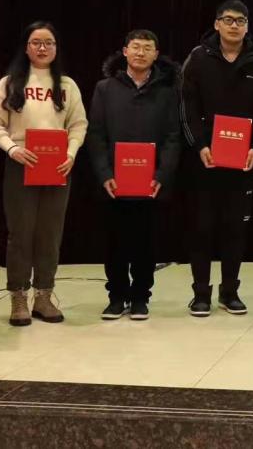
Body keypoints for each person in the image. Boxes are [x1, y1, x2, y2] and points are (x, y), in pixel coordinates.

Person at [0, 22, 88, 327]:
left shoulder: (66, 85)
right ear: (26, 47)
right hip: (22, 164)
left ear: (56, 48)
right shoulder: (10, 83)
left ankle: (44, 296)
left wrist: (70, 154)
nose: (43, 48)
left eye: (49, 43)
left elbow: (78, 124)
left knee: (50, 234)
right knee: (21, 233)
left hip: (57, 167)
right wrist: (12, 148)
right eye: (36, 42)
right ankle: (18, 296)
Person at [181, 0, 253, 317]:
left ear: (247, 26)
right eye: (228, 19)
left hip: (244, 160)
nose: (234, 25)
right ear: (217, 24)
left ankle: (229, 292)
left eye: (240, 20)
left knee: (235, 229)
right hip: (205, 160)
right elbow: (187, 106)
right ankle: (200, 294)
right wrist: (199, 145)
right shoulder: (198, 58)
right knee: (202, 228)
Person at [85, 30, 182, 321]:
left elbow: (173, 137)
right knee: (115, 242)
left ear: (156, 54)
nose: (141, 53)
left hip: (151, 183)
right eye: (135, 47)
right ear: (125, 51)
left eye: (147, 48)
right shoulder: (105, 88)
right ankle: (116, 297)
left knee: (146, 242)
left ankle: (140, 296)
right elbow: (96, 134)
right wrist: (104, 174)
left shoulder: (167, 91)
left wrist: (161, 175)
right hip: (114, 182)